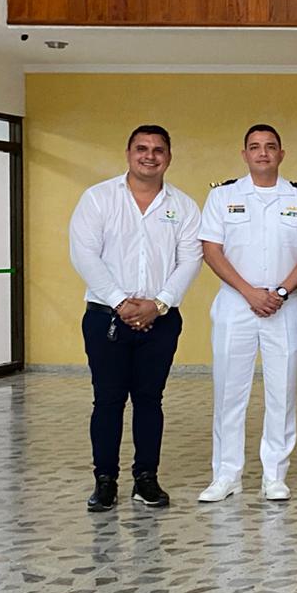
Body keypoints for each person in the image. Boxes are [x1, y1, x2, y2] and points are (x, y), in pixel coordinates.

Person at [69, 125, 202, 511]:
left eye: (158, 150)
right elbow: (84, 255)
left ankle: (146, 479)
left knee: (149, 399)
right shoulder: (98, 199)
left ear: (169, 157)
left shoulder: (184, 205)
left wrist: (158, 304)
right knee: (108, 400)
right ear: (128, 153)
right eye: (142, 148)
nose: (150, 155)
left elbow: (190, 259)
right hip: (105, 318)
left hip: (161, 319)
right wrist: (121, 303)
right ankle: (105, 480)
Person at [197, 124, 297, 503]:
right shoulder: (222, 196)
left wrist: (278, 293)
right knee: (229, 392)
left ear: (282, 154)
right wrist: (250, 293)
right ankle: (226, 474)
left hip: (284, 304)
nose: (263, 153)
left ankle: (275, 475)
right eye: (254, 147)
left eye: (270, 147)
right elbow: (212, 250)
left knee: (282, 393)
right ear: (244, 154)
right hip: (236, 304)